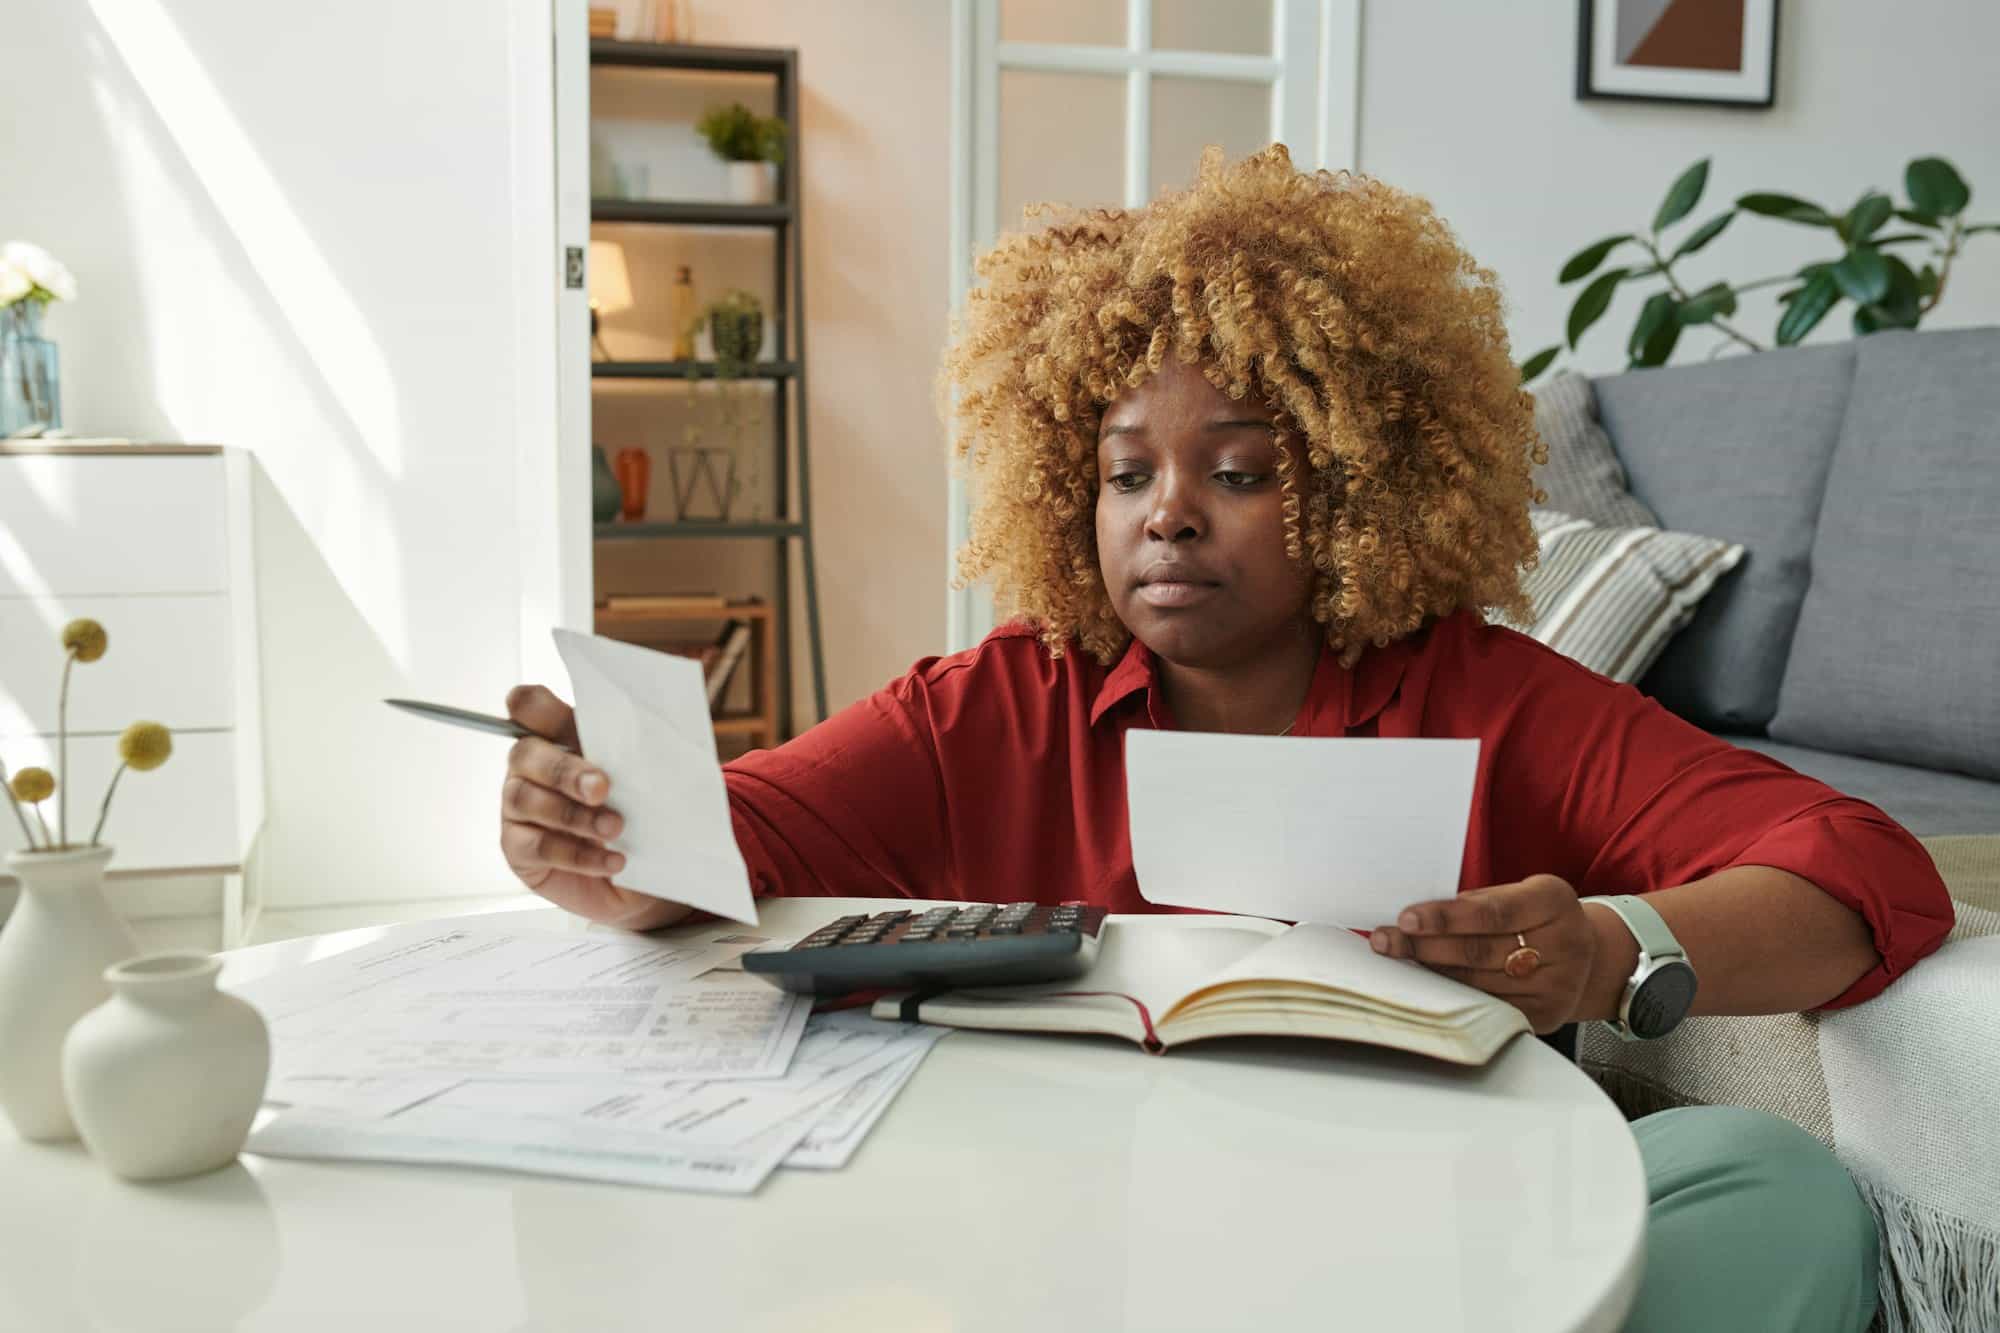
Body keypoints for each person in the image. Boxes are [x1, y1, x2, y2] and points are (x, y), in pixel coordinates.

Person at [498, 146, 1952, 1332]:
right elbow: (732, 844)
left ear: (1366, 483)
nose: (1167, 511)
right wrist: (603, 830)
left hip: (1442, 1234)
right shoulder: (1000, 703)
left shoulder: (1496, 695)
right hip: (1095, 1251)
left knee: (1766, 1182)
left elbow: (1863, 867)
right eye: (1125, 471)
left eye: (1240, 469)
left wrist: (1610, 945)